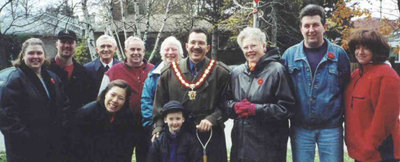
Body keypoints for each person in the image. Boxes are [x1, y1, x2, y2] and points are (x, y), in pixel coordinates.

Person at [281, 4, 351, 162]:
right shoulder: (289, 56)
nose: (311, 30)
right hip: (300, 128)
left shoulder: (339, 55)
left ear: (324, 27)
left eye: (315, 25)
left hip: (331, 129)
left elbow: (347, 89)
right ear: (301, 28)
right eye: (306, 26)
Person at [152, 28, 231, 162]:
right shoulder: (169, 72)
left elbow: (227, 105)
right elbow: (159, 105)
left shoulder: (220, 72)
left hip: (210, 136)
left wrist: (212, 119)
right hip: (179, 135)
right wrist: (159, 127)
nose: (196, 47)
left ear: (207, 47)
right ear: (187, 46)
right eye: (193, 43)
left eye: (201, 43)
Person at [225, 27, 296, 162]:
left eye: (253, 45)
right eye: (246, 47)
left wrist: (255, 109)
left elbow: (287, 108)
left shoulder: (277, 70)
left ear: (263, 46)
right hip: (240, 147)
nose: (250, 50)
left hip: (268, 148)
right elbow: (225, 103)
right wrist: (234, 107)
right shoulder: (236, 73)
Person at [0, 38, 71, 162]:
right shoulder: (14, 80)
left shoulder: (52, 78)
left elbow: (64, 105)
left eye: (39, 53)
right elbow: (8, 118)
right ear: (22, 56)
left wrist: (61, 130)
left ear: (44, 56)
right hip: (26, 150)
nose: (35, 56)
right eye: (31, 53)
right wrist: (29, 139)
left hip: (52, 146)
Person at [345, 29, 400, 162]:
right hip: (361, 152)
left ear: (377, 50)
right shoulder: (355, 75)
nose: (360, 52)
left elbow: (384, 120)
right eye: (357, 48)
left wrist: (369, 146)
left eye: (366, 48)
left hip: (381, 152)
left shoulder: (387, 76)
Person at [99, 36, 154, 162]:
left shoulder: (153, 70)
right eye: (132, 49)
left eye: (139, 49)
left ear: (144, 51)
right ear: (125, 51)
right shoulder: (113, 71)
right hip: (121, 126)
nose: (136, 53)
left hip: (146, 125)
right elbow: (101, 99)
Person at [72, 79, 136, 162]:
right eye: (112, 95)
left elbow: (126, 149)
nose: (115, 100)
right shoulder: (86, 113)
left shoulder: (128, 117)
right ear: (105, 93)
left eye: (121, 98)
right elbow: (76, 147)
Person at [49, 30, 94, 112]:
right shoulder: (46, 69)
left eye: (70, 42)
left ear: (75, 45)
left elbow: (88, 100)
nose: (66, 45)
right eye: (63, 42)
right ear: (56, 44)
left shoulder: (83, 72)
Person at [84, 34, 121, 100]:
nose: (106, 49)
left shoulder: (122, 68)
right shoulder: (87, 69)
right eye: (102, 46)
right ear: (97, 49)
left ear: (115, 49)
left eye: (109, 46)